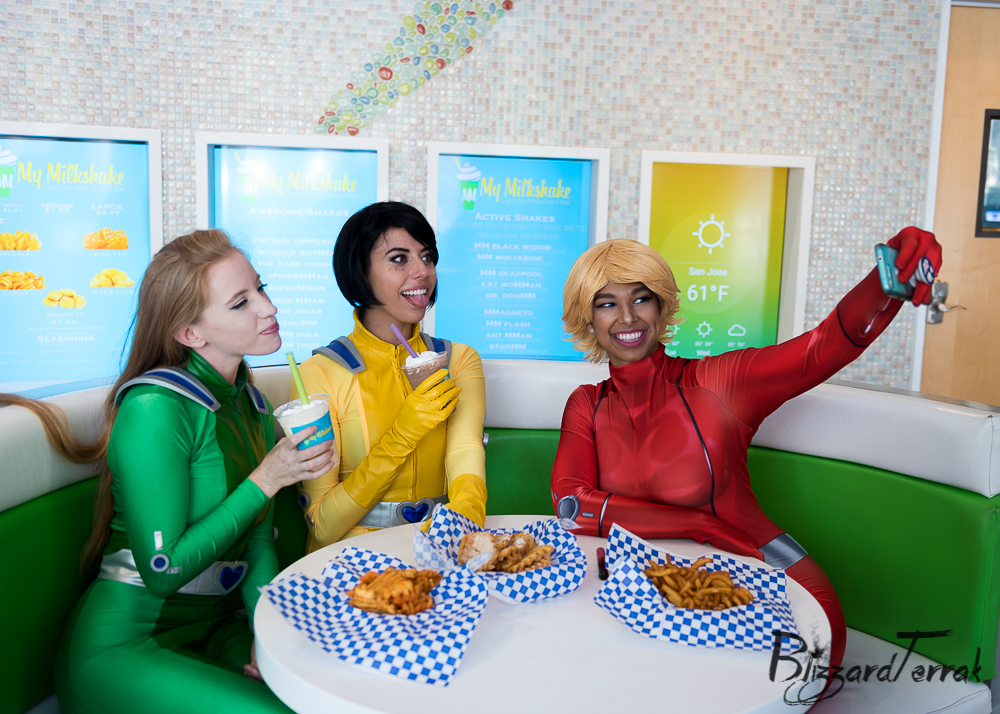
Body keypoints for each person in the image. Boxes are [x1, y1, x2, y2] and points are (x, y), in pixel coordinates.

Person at [550, 227, 942, 671]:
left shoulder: (719, 383)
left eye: (641, 298)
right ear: (588, 319)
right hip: (650, 589)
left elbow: (826, 345)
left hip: (764, 567)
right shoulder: (586, 403)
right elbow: (571, 506)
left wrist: (887, 279)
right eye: (606, 304)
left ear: (661, 306)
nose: (627, 317)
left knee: (789, 676)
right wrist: (701, 524)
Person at [2, 230, 335, 714]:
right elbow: (163, 570)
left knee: (325, 693)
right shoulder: (154, 408)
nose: (269, 308)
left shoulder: (254, 404)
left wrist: (266, 633)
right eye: (241, 302)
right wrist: (267, 479)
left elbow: (258, 541)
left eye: (261, 288)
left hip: (220, 625)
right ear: (190, 334)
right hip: (127, 643)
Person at [295, 201, 487, 551]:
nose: (422, 271)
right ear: (360, 272)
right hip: (350, 560)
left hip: (437, 546)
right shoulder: (319, 373)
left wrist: (462, 536)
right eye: (399, 259)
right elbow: (322, 526)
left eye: (427, 257)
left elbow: (465, 452)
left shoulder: (459, 360)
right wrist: (403, 434)